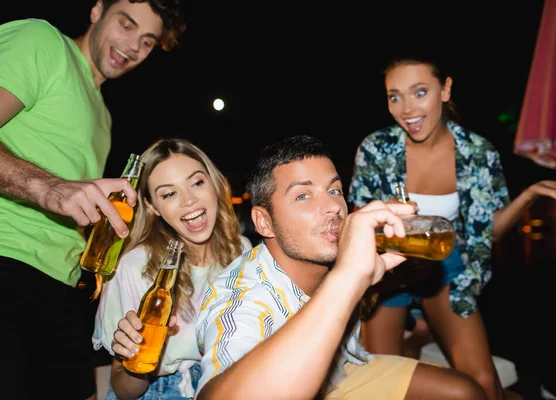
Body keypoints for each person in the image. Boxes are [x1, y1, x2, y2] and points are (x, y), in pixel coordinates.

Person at [347, 54, 556, 400]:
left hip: (445, 264)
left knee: (483, 385)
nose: (407, 108)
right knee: (382, 387)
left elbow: (489, 231)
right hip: (389, 272)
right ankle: (419, 332)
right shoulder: (376, 149)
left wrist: (530, 194)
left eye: (419, 92)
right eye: (395, 96)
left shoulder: (478, 152)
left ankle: (423, 329)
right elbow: (358, 223)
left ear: (446, 89)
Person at [187, 135, 487, 399]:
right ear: (264, 221)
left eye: (334, 190)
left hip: (341, 369)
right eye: (303, 196)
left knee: (466, 392)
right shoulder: (242, 300)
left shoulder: (334, 254)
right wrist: (349, 276)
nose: (333, 206)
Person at [0, 1, 185, 399]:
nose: (133, 46)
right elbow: (56, 191)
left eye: (147, 41)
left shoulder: (103, 115)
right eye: (126, 23)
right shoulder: (42, 41)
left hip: (63, 291)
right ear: (97, 9)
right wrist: (50, 188)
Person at [93, 137, 253, 399]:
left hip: (225, 383)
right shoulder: (133, 267)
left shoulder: (242, 251)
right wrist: (136, 361)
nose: (189, 200)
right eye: (169, 193)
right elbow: (123, 390)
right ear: (152, 206)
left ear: (213, 183)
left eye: (197, 182)